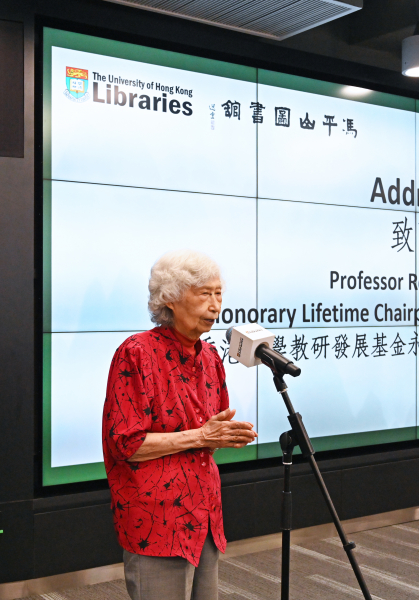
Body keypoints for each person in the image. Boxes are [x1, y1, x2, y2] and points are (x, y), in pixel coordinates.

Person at [102, 249, 258, 600]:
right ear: (170, 299)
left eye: (219, 294)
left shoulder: (211, 357)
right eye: (204, 294)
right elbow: (127, 445)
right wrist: (202, 435)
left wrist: (221, 436)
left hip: (204, 514)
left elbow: (208, 438)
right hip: (157, 519)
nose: (215, 305)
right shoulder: (136, 352)